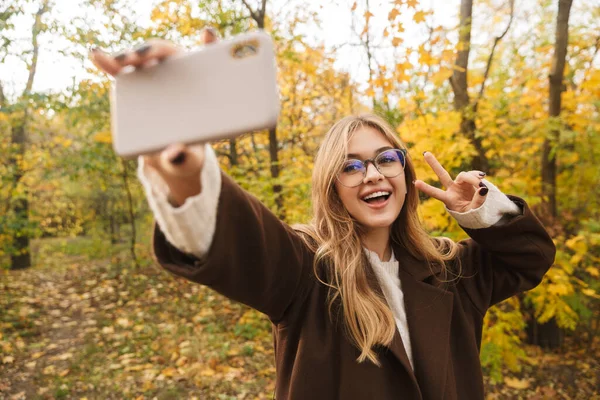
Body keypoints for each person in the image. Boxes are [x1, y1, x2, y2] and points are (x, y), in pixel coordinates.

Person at [90, 28, 556, 400]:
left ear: (405, 171)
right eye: (351, 167)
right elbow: (237, 237)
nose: (372, 174)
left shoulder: (451, 269)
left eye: (385, 159)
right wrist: (185, 167)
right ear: (332, 188)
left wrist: (481, 208)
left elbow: (530, 257)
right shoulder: (306, 271)